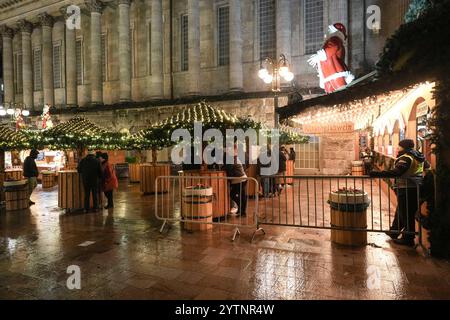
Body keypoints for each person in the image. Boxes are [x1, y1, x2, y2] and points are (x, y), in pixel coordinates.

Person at [370, 139, 429, 247]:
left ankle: (408, 238)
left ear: (404, 147)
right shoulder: (419, 156)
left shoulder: (406, 158)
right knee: (401, 211)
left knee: (406, 214)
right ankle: (394, 231)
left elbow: (396, 172)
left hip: (406, 188)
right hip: (414, 187)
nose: (398, 148)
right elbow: (427, 167)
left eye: (400, 146)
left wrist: (376, 174)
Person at [225, 144, 248, 217]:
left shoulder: (232, 157)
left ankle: (242, 210)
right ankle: (242, 211)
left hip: (239, 180)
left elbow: (230, 168)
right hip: (241, 179)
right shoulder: (234, 156)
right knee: (241, 196)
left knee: (234, 195)